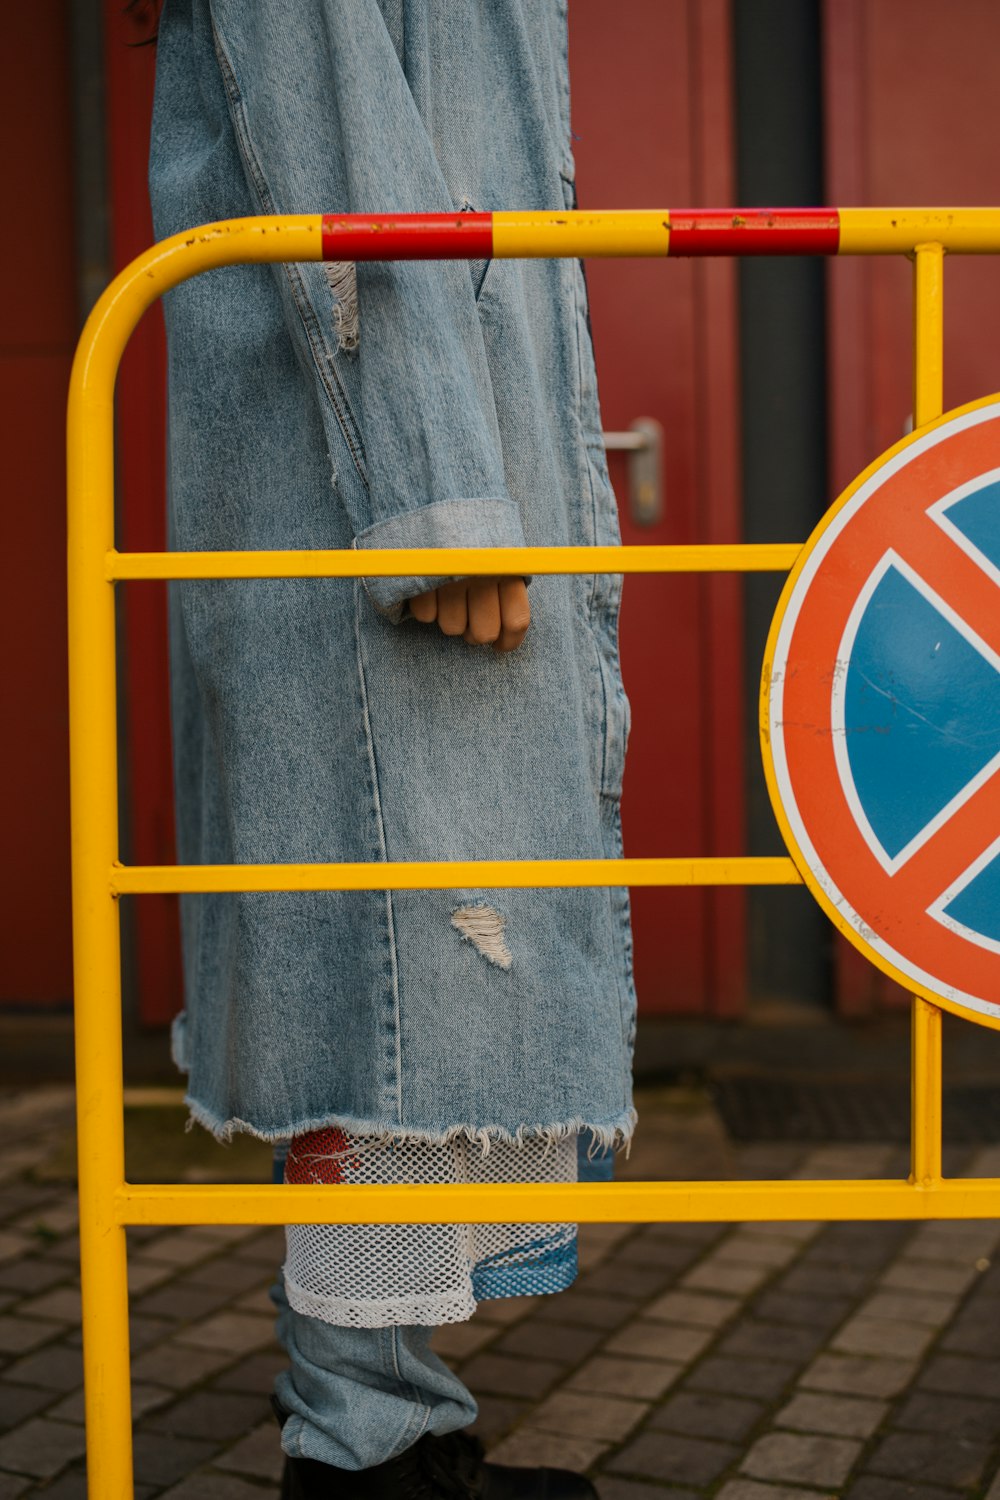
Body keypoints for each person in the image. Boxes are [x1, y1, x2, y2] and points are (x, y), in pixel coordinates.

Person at [149, 2, 636, 1495]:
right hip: (381, 488)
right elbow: (340, 155)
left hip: (419, 466)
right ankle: (359, 1445)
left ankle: (388, 1422)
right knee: (392, 950)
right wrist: (436, 494)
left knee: (416, 948)